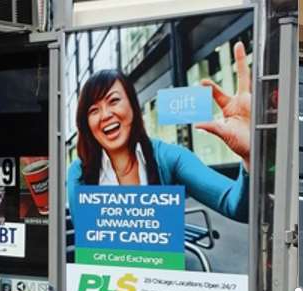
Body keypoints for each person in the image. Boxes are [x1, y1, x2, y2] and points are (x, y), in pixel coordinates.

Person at [66, 41, 252, 223]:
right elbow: (86, 235)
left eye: (113, 101)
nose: (105, 115)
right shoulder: (78, 172)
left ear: (133, 106)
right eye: (93, 110)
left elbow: (235, 205)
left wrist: (249, 157)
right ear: (87, 124)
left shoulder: (169, 157)